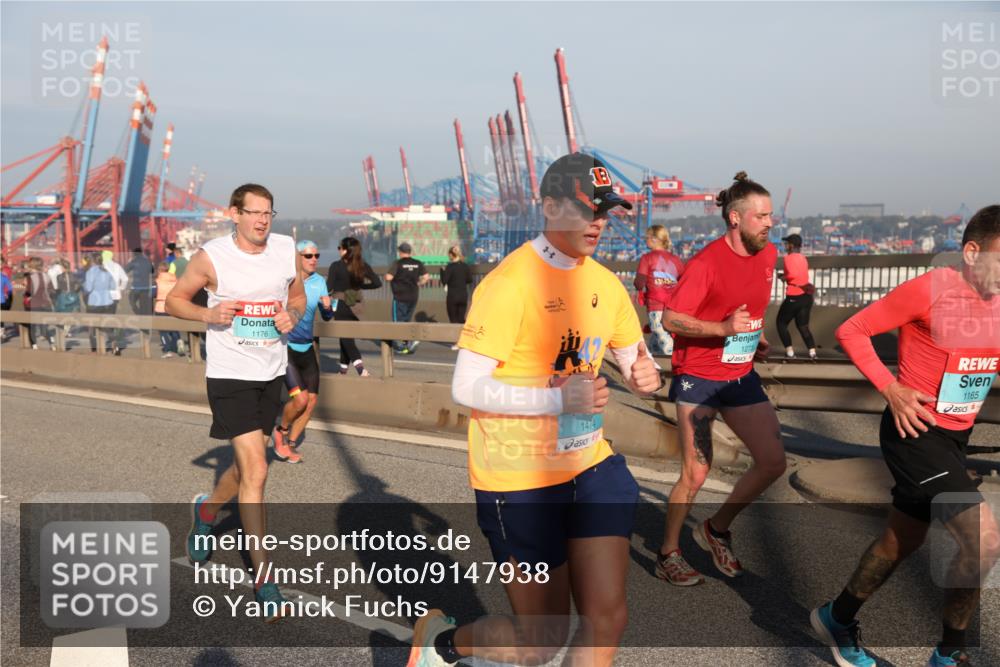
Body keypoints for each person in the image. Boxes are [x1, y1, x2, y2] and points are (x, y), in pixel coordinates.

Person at [408, 153, 661, 667]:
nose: (597, 222)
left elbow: (635, 357)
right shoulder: (510, 283)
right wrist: (555, 399)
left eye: (604, 211)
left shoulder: (605, 283)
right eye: (585, 209)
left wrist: (646, 375)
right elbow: (466, 387)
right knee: (540, 642)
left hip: (590, 464)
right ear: (549, 206)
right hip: (519, 477)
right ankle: (441, 645)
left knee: (607, 618)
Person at [810, 204, 1000, 667]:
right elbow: (853, 330)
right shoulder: (932, 289)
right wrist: (891, 389)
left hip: (954, 438)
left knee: (900, 541)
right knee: (984, 539)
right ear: (972, 253)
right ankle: (949, 653)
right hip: (914, 433)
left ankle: (837, 617)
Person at [166, 183, 305, 621]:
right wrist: (208, 314)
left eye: (268, 213)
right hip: (229, 375)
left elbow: (298, 297)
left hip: (270, 372)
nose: (262, 220)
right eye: (254, 212)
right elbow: (173, 301)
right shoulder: (211, 256)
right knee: (259, 470)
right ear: (234, 214)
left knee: (247, 469)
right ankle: (264, 578)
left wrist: (292, 315)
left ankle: (207, 511)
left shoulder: (285, 249)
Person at [655, 171, 785, 586]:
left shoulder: (768, 255)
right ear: (735, 218)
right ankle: (668, 553)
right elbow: (671, 319)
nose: (770, 223)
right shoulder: (705, 264)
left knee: (772, 462)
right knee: (696, 473)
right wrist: (723, 329)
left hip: (740, 374)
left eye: (770, 216)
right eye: (761, 216)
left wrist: (754, 337)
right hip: (699, 378)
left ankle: (716, 529)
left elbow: (749, 307)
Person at [271, 239, 336, 464]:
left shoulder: (320, 282)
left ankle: (289, 445)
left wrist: (327, 308)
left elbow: (327, 316)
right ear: (297, 258)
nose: (314, 259)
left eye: (316, 255)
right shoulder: (286, 280)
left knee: (311, 401)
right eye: (308, 256)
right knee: (300, 400)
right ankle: (280, 430)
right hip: (287, 346)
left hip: (307, 348)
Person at [326, 236, 382, 376]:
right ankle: (343, 370)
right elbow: (377, 283)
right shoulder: (362, 265)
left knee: (345, 337)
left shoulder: (336, 266)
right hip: (356, 305)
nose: (339, 250)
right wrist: (361, 287)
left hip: (340, 304)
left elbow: (328, 288)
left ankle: (360, 368)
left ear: (346, 250)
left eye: (340, 248)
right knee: (346, 337)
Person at [634, 225, 684, 356]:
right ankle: (655, 363)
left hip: (656, 305)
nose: (645, 240)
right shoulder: (675, 259)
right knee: (656, 341)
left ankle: (674, 359)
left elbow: (639, 283)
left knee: (661, 335)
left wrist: (639, 287)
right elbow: (683, 281)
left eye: (647, 237)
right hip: (673, 306)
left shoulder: (647, 258)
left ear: (654, 239)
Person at [775, 233, 817, 360]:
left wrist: (783, 277)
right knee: (803, 326)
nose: (785, 246)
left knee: (781, 323)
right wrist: (786, 276)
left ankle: (790, 353)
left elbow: (792, 274)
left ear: (791, 246)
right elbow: (799, 274)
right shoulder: (803, 258)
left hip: (795, 296)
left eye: (787, 244)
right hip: (806, 296)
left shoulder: (788, 258)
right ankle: (812, 353)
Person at [385, 241, 427, 354]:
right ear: (409, 251)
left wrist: (388, 276)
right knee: (406, 320)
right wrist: (419, 283)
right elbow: (426, 277)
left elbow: (388, 277)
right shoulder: (417, 263)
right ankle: (407, 344)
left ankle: (400, 346)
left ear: (400, 252)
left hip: (400, 296)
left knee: (397, 322)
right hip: (413, 296)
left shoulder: (397, 263)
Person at [83, 252, 117, 354]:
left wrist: (84, 286)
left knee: (92, 327)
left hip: (94, 303)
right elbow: (113, 287)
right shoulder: (107, 272)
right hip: (108, 302)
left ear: (92, 261)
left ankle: (94, 348)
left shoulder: (90, 272)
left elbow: (88, 288)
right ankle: (114, 345)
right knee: (108, 326)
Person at [440, 244, 472, 350]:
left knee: (453, 320)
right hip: (463, 295)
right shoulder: (465, 266)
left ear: (451, 255)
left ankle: (456, 342)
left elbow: (444, 281)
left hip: (452, 296)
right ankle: (464, 341)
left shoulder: (449, 267)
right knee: (461, 319)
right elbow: (469, 280)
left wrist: (442, 271)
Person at [24, 257, 54, 350]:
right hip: (46, 303)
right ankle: (52, 343)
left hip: (35, 303)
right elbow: (51, 290)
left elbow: (29, 291)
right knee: (44, 325)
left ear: (32, 265)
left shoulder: (30, 277)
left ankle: (34, 345)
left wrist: (25, 288)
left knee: (32, 325)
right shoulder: (46, 276)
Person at [154, 261, 181, 357]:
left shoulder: (157, 281)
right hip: (173, 307)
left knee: (163, 330)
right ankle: (178, 343)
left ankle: (167, 349)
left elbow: (153, 293)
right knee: (174, 328)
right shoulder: (175, 280)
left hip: (161, 307)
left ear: (159, 270)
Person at [126, 247, 155, 315]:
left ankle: (138, 313)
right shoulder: (148, 261)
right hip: (146, 287)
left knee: (132, 301)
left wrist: (129, 262)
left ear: (134, 254)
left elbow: (126, 270)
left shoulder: (134, 261)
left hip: (136, 288)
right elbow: (152, 271)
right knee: (144, 304)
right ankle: (144, 315)